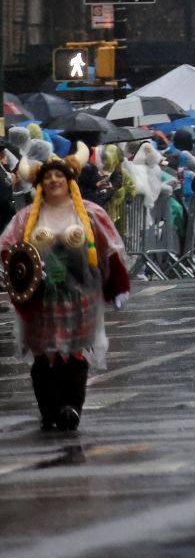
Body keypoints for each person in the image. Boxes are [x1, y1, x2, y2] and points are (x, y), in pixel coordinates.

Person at [1, 152, 132, 430]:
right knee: (44, 354)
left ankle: (71, 407)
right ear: (40, 184)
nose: (53, 180)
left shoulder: (91, 213)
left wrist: (118, 285)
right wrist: (25, 272)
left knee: (73, 353)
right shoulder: (26, 219)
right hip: (42, 299)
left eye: (59, 175)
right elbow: (8, 249)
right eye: (47, 176)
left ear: (69, 180)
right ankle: (49, 409)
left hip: (79, 296)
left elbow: (110, 249)